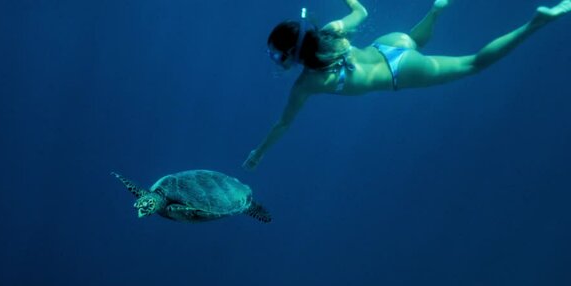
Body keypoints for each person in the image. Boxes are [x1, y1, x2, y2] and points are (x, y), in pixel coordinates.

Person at [242, 0, 571, 171]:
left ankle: (534, 23)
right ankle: (435, 11)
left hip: (401, 72)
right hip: (390, 43)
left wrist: (258, 153)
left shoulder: (306, 83)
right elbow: (360, 9)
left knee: (474, 64)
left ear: (291, 56)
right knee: (413, 40)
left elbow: (283, 123)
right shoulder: (333, 30)